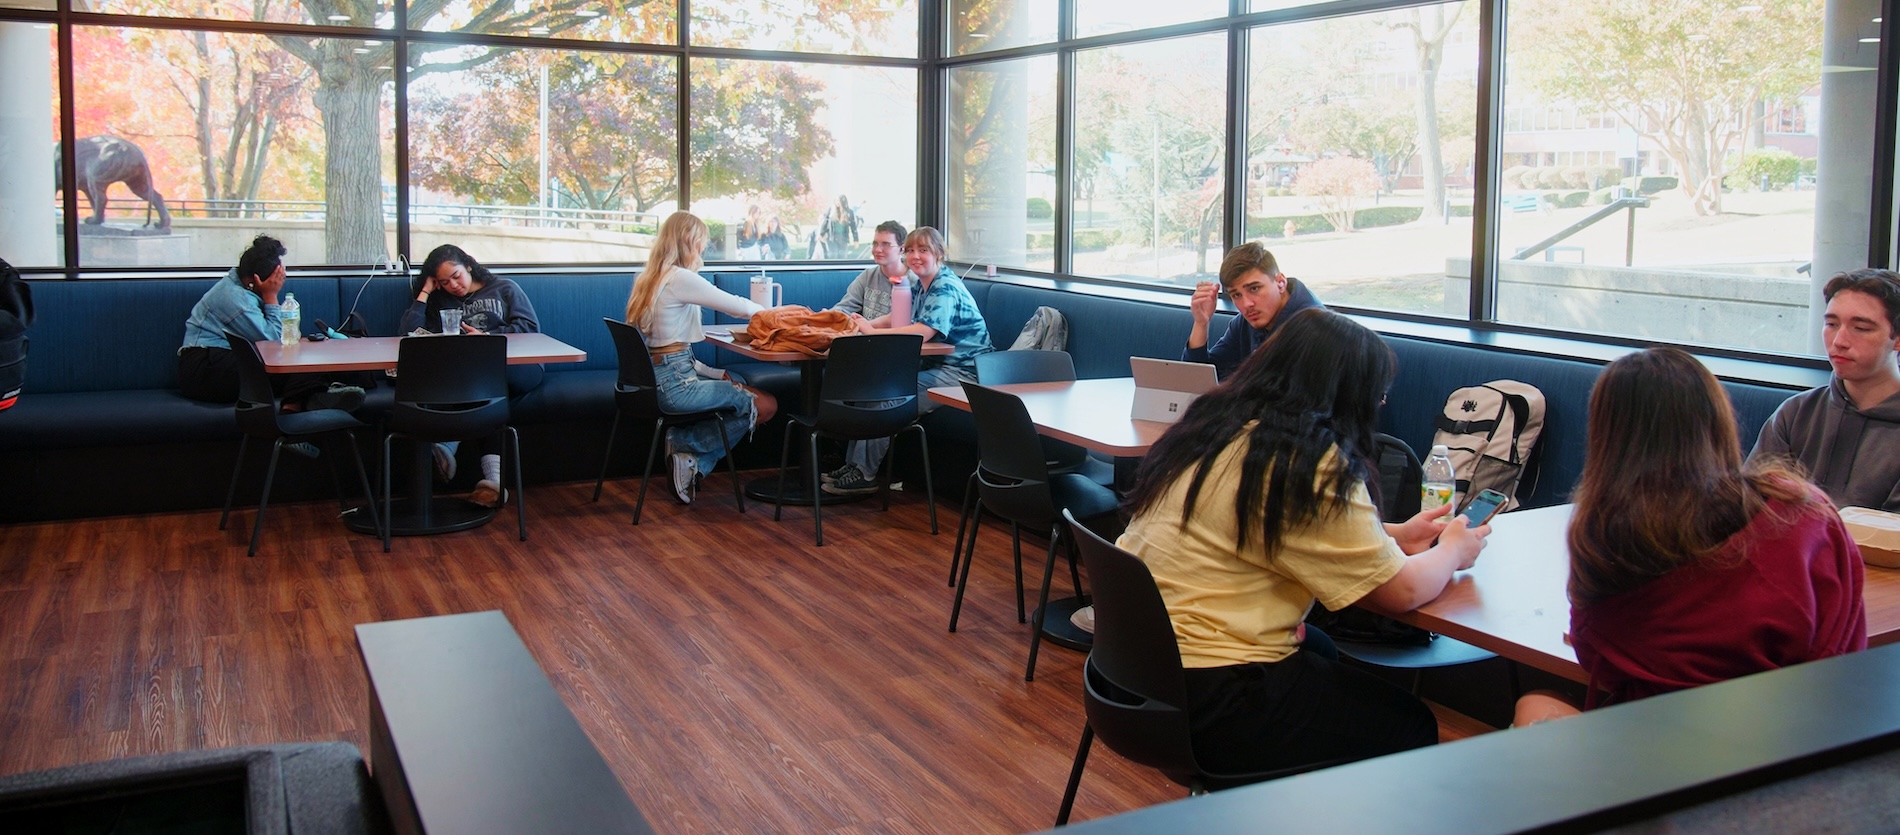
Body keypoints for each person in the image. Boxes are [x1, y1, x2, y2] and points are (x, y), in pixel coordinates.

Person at [1117, 308, 1489, 774]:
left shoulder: (1212, 426)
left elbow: (1257, 525)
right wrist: (1455, 547)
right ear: (1349, 394)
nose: (1377, 407)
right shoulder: (1307, 460)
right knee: (1409, 724)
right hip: (1209, 695)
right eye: (1378, 396)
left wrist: (1395, 533)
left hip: (1130, 668)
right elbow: (1403, 592)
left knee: (1319, 650)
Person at [1514, 347, 1867, 726]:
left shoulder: (1606, 533)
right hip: (1804, 734)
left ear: (1608, 435)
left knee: (1535, 704)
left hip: (1670, 746)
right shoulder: (1803, 509)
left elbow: (1598, 658)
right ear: (1716, 418)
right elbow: (1844, 642)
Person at [624, 211, 780, 504]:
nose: (703, 249)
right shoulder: (680, 278)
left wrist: (709, 371)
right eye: (701, 242)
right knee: (765, 404)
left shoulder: (648, 276)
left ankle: (692, 463)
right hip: (676, 385)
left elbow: (665, 348)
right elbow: (737, 307)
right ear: (689, 241)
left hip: (657, 378)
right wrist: (776, 313)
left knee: (737, 382)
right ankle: (684, 444)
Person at [825, 226, 993, 495]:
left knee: (887, 397)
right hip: (939, 367)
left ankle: (865, 474)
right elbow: (899, 316)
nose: (916, 256)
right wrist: (866, 324)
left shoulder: (945, 287)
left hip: (965, 375)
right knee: (872, 389)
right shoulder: (922, 284)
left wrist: (870, 331)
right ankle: (853, 465)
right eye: (911, 250)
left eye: (923, 250)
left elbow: (924, 332)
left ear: (939, 253)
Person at [400, 244, 544, 508]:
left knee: (480, 382)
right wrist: (424, 293)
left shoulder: (505, 288)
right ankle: (493, 482)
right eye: (444, 282)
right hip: (470, 376)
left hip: (519, 366)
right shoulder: (441, 301)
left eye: (456, 276)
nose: (454, 285)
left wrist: (488, 338)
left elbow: (531, 328)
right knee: (482, 387)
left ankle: (446, 446)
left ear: (468, 265)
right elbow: (410, 335)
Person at [1749, 268, 1900, 511]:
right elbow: (1751, 505)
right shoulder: (1796, 412)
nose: (1839, 340)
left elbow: (1889, 540)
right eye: (1831, 323)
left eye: (1861, 328)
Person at [179, 234, 365, 414]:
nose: (280, 283)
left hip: (225, 361)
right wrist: (271, 296)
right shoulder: (234, 298)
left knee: (311, 363)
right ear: (256, 281)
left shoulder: (244, 288)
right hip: (205, 369)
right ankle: (305, 405)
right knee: (293, 369)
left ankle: (300, 404)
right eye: (277, 280)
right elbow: (274, 342)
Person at [1184, 242, 1323, 380]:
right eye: (1236, 295)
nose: (1247, 304)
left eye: (1254, 289)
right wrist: (1201, 323)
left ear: (1280, 282)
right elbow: (1195, 380)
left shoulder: (1316, 329)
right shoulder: (1245, 322)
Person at [830, 220, 915, 322]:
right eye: (875, 244)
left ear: (901, 249)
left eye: (886, 244)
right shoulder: (867, 276)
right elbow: (845, 307)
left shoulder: (914, 282)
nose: (877, 250)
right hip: (864, 336)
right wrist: (826, 315)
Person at [821, 194, 859, 258]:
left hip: (843, 238)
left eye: (839, 201)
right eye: (836, 201)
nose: (837, 203)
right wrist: (821, 234)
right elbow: (826, 221)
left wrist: (856, 240)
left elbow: (853, 227)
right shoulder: (832, 210)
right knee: (833, 256)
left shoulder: (849, 212)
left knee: (842, 257)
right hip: (832, 238)